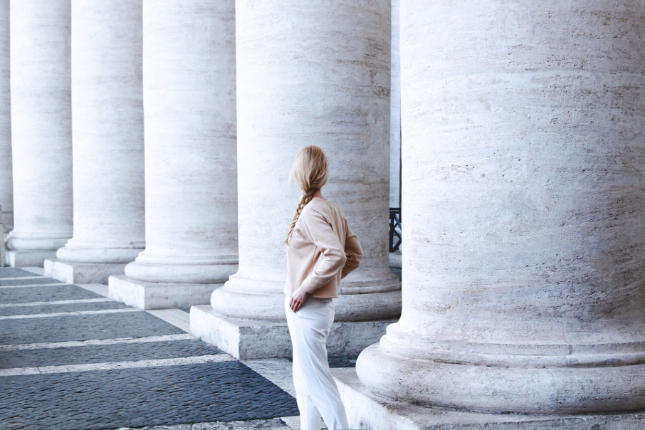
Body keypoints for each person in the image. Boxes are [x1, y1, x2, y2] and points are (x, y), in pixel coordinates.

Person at [283, 145, 363, 430]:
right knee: (304, 380)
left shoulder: (312, 212)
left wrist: (307, 287)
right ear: (323, 176)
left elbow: (338, 255)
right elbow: (355, 255)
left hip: (307, 306)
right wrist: (328, 281)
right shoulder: (331, 209)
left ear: (299, 174)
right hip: (308, 306)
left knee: (318, 383)